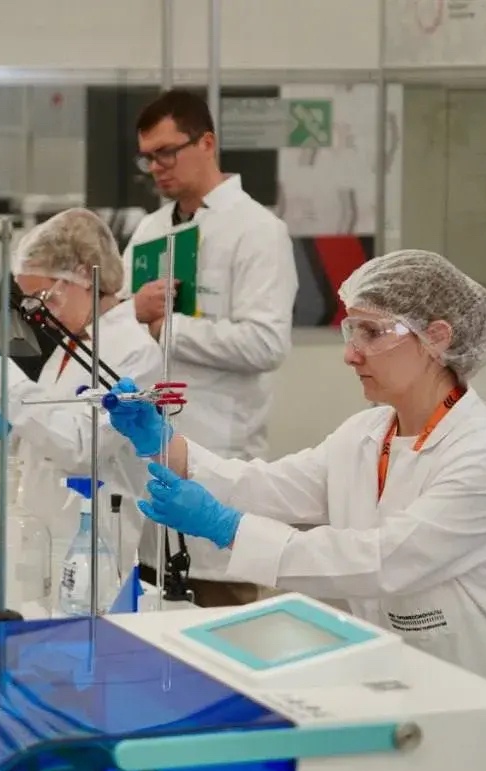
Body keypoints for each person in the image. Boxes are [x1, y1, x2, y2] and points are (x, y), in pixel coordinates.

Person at [107, 249, 486, 745]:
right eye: (350, 332)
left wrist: (229, 529)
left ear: (438, 337)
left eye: (372, 333)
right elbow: (269, 486)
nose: (351, 354)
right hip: (416, 687)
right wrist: (166, 445)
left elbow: (383, 560)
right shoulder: (368, 433)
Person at [122, 89, 299, 605]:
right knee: (151, 617)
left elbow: (266, 343)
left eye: (166, 152)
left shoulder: (257, 230)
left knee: (220, 611)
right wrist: (132, 312)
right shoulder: (150, 229)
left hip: (220, 450)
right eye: (148, 157)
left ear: (207, 143)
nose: (156, 167)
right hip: (149, 459)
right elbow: (122, 324)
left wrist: (165, 327)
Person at [0, 208, 164, 569]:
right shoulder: (72, 342)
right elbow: (45, 431)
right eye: (32, 302)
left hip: (95, 545)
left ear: (85, 277)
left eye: (46, 298)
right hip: (44, 530)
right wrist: (5, 431)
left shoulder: (135, 352)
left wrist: (1, 379)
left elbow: (81, 448)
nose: (43, 315)